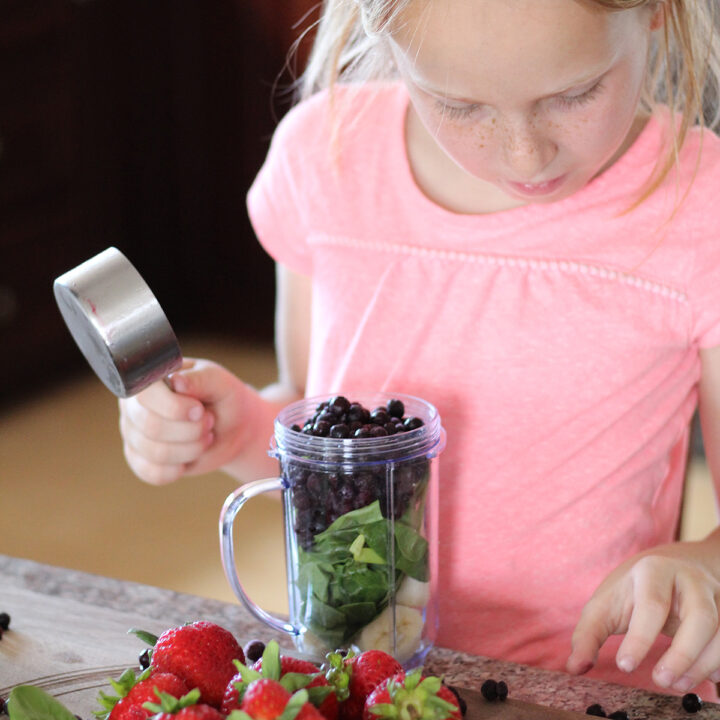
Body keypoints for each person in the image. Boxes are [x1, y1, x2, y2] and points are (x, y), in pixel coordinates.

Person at [118, 0, 720, 700]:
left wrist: (704, 564)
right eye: (459, 105)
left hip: (588, 694)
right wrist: (238, 429)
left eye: (574, 94)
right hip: (362, 686)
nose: (525, 153)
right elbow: (325, 458)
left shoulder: (701, 209)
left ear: (657, 13)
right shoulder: (328, 158)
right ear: (382, 33)